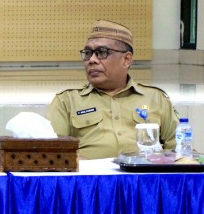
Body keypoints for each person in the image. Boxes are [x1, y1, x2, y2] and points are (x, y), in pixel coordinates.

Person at [46, 19, 179, 160]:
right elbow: (51, 154)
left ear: (126, 60)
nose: (92, 60)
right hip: (89, 173)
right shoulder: (67, 101)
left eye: (102, 52)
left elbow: (179, 151)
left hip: (144, 173)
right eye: (88, 53)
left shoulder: (156, 99)